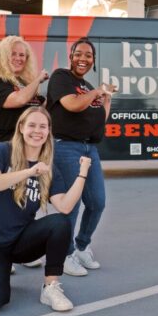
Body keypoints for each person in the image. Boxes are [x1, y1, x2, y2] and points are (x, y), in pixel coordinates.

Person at [0, 107, 92, 313]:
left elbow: (65, 205)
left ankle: (50, 287)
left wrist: (83, 173)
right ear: (21, 128)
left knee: (60, 222)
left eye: (43, 126)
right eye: (32, 125)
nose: (37, 131)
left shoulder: (47, 168)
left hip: (20, 242)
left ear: (48, 131)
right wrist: (29, 171)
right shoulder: (2, 151)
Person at [46, 37, 116, 276]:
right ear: (71, 56)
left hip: (89, 149)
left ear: (93, 60)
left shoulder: (87, 87)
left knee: (97, 202)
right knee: (71, 205)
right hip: (66, 147)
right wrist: (98, 91)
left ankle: (81, 247)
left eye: (88, 55)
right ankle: (64, 255)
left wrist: (106, 100)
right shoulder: (61, 77)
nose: (83, 59)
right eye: (79, 54)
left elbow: (98, 120)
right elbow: (72, 105)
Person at [0, 36, 49, 144]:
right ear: (3, 57)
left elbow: (40, 107)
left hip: (30, 146)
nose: (18, 58)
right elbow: (19, 100)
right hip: (8, 145)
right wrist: (38, 80)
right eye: (13, 54)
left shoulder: (26, 83)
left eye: (22, 55)